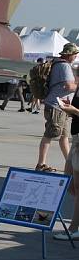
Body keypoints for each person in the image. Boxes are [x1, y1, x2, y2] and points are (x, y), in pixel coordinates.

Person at [35, 43, 79, 172]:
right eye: (75, 55)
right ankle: (41, 164)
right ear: (69, 54)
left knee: (63, 136)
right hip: (56, 106)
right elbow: (68, 86)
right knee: (50, 134)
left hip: (62, 107)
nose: (75, 57)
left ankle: (68, 162)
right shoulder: (64, 66)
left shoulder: (57, 63)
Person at [53, 88, 79, 241]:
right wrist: (69, 109)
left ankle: (74, 228)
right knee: (68, 183)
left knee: (77, 186)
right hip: (75, 139)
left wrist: (74, 110)